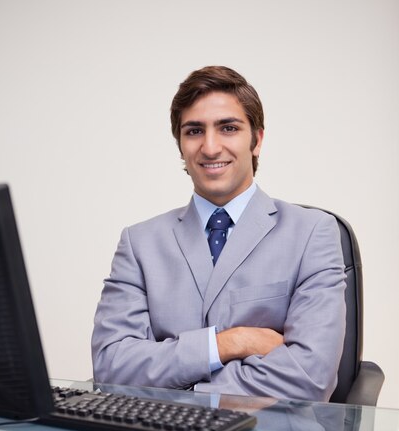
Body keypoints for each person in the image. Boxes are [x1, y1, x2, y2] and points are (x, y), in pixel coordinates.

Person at [92, 66, 346, 401]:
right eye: (194, 131)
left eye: (228, 128)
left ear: (256, 140)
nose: (210, 148)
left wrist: (184, 392)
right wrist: (230, 342)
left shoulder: (313, 233)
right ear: (180, 145)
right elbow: (111, 368)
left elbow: (310, 377)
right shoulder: (139, 244)